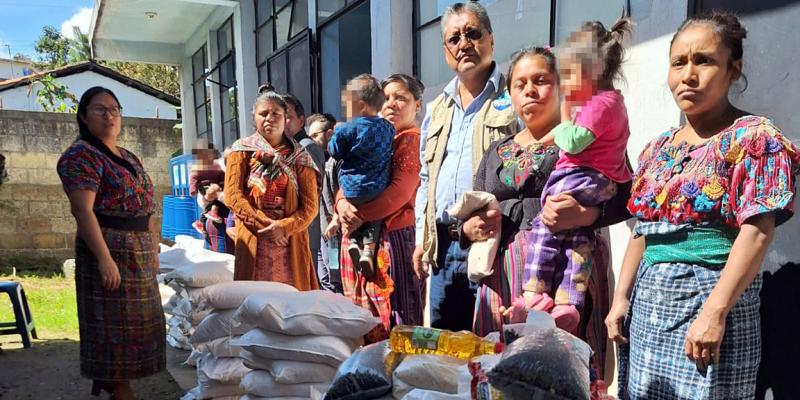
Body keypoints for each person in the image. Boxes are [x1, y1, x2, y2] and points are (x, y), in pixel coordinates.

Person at [605, 11, 799, 399]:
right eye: (678, 62)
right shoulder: (658, 149)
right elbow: (643, 229)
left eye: (704, 61)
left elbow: (757, 231)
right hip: (649, 308)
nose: (688, 75)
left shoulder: (754, 139)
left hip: (710, 306)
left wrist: (714, 313)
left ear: (733, 69)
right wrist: (621, 297)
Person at [461, 48, 631, 378]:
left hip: (568, 272)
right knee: (502, 371)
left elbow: (628, 196)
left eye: (541, 80)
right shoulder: (496, 151)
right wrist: (469, 228)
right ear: (510, 94)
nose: (530, 90)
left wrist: (587, 214)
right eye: (520, 84)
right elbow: (470, 209)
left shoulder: (588, 136)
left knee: (562, 372)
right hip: (502, 278)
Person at [522, 19, 633, 334]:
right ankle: (568, 301)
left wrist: (564, 113)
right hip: (594, 180)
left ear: (594, 71)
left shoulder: (599, 105)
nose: (565, 84)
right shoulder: (608, 104)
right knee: (576, 240)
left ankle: (534, 294)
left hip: (582, 178)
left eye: (569, 75)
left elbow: (572, 142)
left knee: (544, 228)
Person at [414, 2, 518, 331]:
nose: (464, 44)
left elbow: (528, 174)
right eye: (454, 38)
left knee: (492, 348)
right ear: (445, 49)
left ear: (491, 39)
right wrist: (421, 238)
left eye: (472, 33)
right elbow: (426, 177)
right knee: (444, 350)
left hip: (494, 248)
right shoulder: (437, 108)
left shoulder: (513, 97)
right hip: (444, 251)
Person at [57, 86, 164, 400]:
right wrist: (104, 259)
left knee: (140, 325)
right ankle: (119, 387)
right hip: (109, 247)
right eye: (100, 109)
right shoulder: (80, 156)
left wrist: (154, 248)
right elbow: (82, 210)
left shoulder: (128, 156)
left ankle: (113, 381)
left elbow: (147, 205)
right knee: (113, 325)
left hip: (139, 249)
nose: (109, 116)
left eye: (114, 109)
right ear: (83, 116)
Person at [336, 73, 427, 334]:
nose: (391, 104)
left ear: (417, 105)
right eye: (386, 98)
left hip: (392, 237)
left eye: (401, 98)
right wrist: (341, 205)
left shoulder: (411, 139)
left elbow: (400, 192)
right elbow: (349, 176)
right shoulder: (371, 134)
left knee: (398, 318)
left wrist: (358, 216)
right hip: (357, 234)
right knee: (362, 319)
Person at [224, 89, 320, 290]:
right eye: (263, 113)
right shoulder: (241, 151)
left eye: (276, 113)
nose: (269, 118)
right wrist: (265, 226)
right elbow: (233, 196)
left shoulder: (300, 157)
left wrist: (283, 228)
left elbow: (310, 207)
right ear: (254, 118)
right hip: (254, 237)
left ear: (285, 119)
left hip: (289, 241)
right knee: (254, 298)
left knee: (291, 298)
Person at [328, 74, 395, 277]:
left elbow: (334, 152)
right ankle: (368, 250)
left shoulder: (347, 128)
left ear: (360, 105)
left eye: (346, 105)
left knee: (354, 214)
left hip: (351, 188)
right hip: (377, 187)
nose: (345, 111)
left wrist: (335, 135)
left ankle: (354, 242)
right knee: (375, 219)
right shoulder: (388, 127)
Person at [283, 92, 325, 274]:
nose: (283, 122)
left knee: (305, 284)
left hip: (304, 231)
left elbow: (310, 195)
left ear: (301, 120)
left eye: (288, 117)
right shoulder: (286, 147)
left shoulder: (306, 147)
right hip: (290, 231)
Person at [308, 112, 344, 293]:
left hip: (335, 233)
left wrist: (335, 220)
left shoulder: (337, 161)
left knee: (335, 278)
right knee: (324, 279)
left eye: (315, 135)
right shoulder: (318, 161)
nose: (312, 140)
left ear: (329, 133)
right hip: (321, 232)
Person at [189, 141, 230, 253]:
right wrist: (193, 189)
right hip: (205, 187)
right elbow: (194, 178)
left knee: (215, 199)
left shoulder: (217, 166)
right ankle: (210, 214)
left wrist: (222, 186)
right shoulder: (198, 168)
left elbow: (222, 176)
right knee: (213, 198)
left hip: (216, 188)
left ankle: (201, 221)